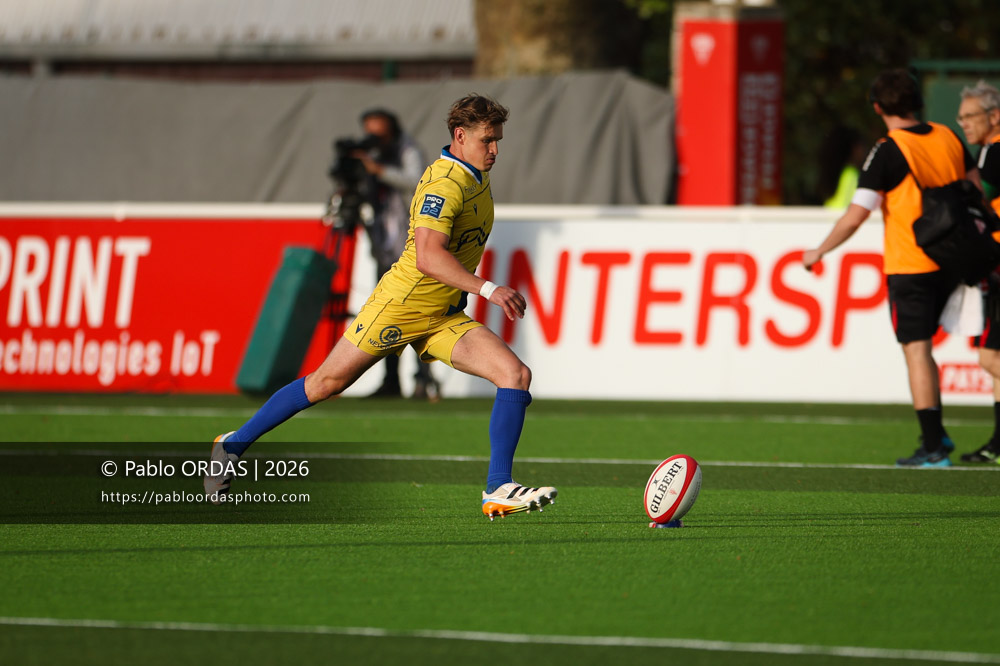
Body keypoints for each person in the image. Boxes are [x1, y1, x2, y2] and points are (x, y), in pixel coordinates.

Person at [206, 94, 557, 519]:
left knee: (514, 374)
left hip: (441, 314)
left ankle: (498, 488)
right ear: (460, 137)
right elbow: (428, 257)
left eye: (499, 140)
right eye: (488, 141)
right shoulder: (445, 185)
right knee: (325, 384)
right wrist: (488, 289)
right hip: (401, 305)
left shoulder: (475, 175)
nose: (496, 150)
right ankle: (232, 445)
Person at [802, 69, 980, 467]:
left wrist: (819, 251)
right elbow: (975, 188)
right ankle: (939, 436)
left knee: (917, 350)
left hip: (911, 261)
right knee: (938, 350)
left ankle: (933, 447)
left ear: (878, 107)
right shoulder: (948, 135)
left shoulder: (887, 150)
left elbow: (855, 215)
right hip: (955, 258)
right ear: (916, 101)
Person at [353, 108, 440, 401]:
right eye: (369, 132)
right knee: (387, 315)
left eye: (379, 133)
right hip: (384, 246)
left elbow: (418, 182)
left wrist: (379, 171)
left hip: (412, 247)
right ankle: (390, 380)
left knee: (417, 313)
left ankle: (423, 380)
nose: (373, 139)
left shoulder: (407, 150)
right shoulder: (368, 155)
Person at [955, 80, 1000, 463]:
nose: (963, 124)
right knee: (992, 357)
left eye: (970, 116)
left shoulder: (993, 152)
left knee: (991, 357)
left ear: (994, 116)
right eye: (961, 117)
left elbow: (976, 200)